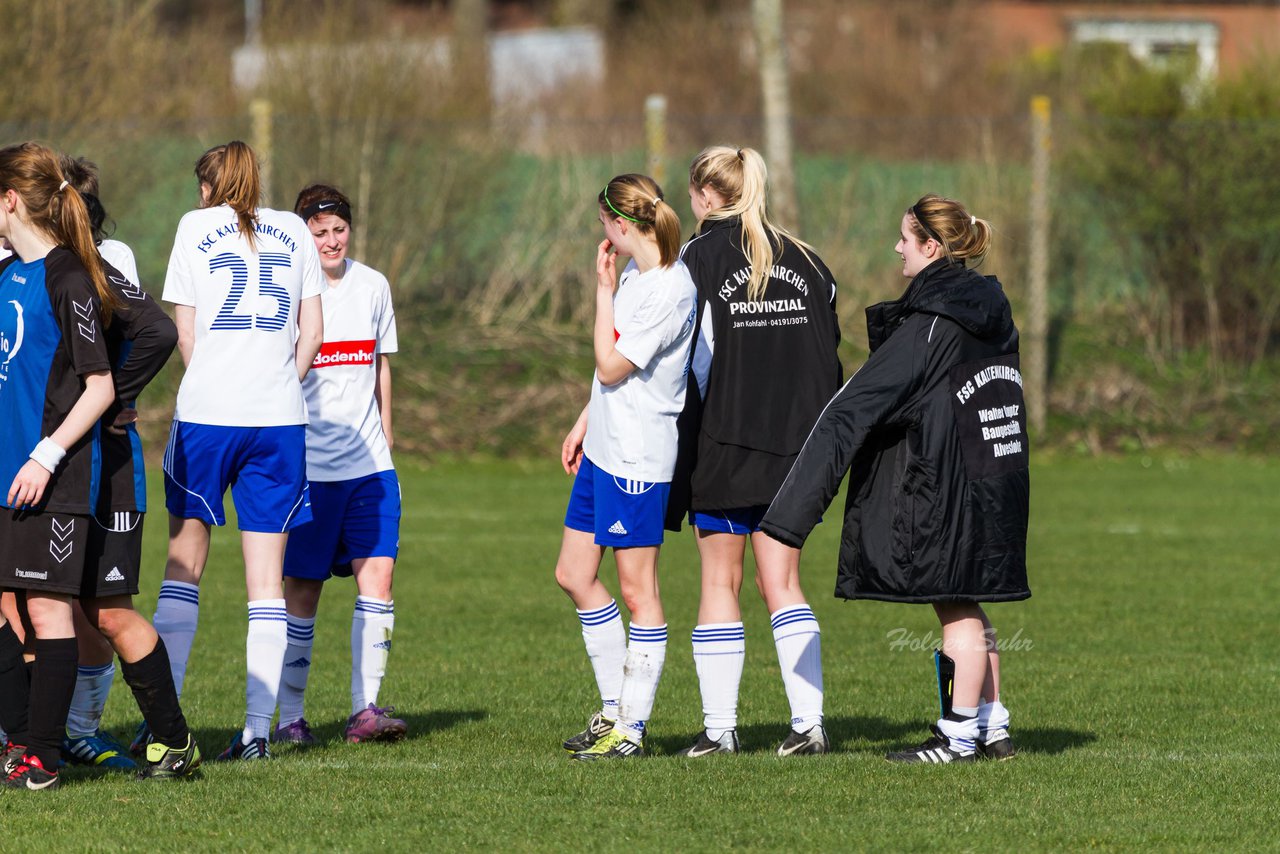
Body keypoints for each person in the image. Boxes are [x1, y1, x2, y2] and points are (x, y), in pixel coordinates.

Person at [760, 193, 1030, 764]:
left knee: (954, 605)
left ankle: (955, 738)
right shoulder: (989, 312)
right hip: (994, 478)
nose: (896, 248)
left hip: (948, 484)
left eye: (905, 239)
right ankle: (993, 726)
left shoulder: (932, 324)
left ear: (932, 247)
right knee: (969, 602)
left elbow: (850, 409)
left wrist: (791, 514)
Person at [154, 141, 325, 762]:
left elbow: (184, 330)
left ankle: (163, 726)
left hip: (209, 418)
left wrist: (218, 383)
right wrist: (278, 382)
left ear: (208, 187)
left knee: (184, 566)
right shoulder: (293, 231)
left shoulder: (194, 225)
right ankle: (256, 733)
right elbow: (313, 334)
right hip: (279, 420)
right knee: (265, 584)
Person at [675, 146, 842, 757]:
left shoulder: (699, 254)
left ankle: (720, 731)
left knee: (721, 580)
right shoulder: (809, 259)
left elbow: (685, 356)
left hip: (726, 440)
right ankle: (810, 726)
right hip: (799, 447)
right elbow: (831, 354)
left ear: (704, 194)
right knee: (784, 582)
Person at [555, 173, 696, 761]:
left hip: (638, 458)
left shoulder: (670, 288)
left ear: (618, 224)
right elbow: (610, 380)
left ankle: (631, 730)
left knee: (640, 591)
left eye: (602, 225)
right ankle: (614, 710)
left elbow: (612, 364)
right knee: (574, 574)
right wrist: (586, 421)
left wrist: (601, 290)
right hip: (606, 449)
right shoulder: (640, 276)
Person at [0, 141, 121, 789]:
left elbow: (99, 385)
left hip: (52, 479)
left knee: (48, 615)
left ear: (10, 200)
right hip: (0, 473)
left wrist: (46, 456)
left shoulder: (69, 276)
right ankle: (19, 739)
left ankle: (41, 756)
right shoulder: (3, 276)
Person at [271, 184, 406, 746]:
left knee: (379, 579)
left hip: (370, 468)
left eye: (339, 230)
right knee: (301, 593)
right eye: (319, 231)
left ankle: (365, 709)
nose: (330, 240)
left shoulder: (373, 284)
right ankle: (290, 719)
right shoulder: (283, 286)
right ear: (303, 233)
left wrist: (388, 447)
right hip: (309, 470)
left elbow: (379, 369)